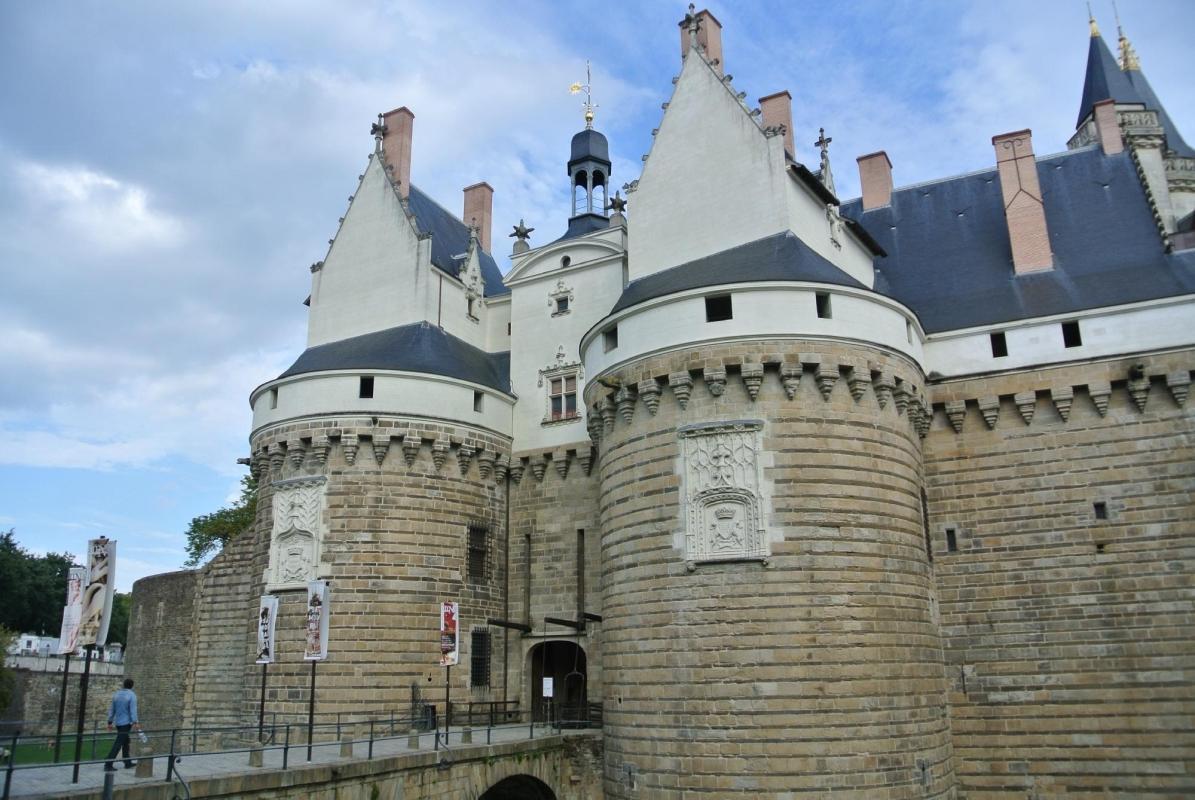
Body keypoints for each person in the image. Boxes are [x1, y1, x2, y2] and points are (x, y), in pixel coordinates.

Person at [103, 678, 139, 771]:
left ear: (124, 684)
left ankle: (127, 762)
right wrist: (135, 722)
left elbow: (112, 709)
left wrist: (110, 722)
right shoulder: (132, 695)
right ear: (132, 685)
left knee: (126, 741)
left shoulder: (117, 694)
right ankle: (108, 763)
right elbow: (133, 710)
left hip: (118, 722)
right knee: (118, 743)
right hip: (126, 723)